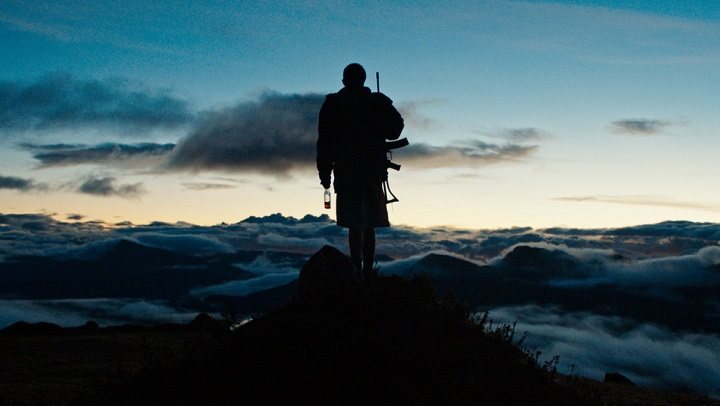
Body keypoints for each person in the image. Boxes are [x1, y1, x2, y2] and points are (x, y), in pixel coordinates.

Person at [316, 63, 404, 278]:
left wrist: (325, 173)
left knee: (354, 224)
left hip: (346, 172)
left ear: (344, 80)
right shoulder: (377, 102)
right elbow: (396, 129)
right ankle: (366, 272)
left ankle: (357, 270)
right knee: (369, 223)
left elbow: (324, 142)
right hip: (372, 171)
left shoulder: (334, 104)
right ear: (363, 80)